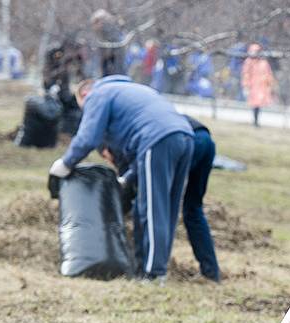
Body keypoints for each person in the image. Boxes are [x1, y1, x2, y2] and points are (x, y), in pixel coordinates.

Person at [49, 77, 194, 280]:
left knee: (151, 209)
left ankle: (153, 274)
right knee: (166, 209)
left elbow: (88, 136)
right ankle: (153, 268)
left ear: (84, 95)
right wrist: (127, 178)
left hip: (156, 138)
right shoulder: (131, 90)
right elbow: (139, 158)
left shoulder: (98, 94)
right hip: (185, 137)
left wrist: (66, 163)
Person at [106, 115, 221, 282]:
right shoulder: (143, 120)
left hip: (181, 141)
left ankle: (143, 269)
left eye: (105, 155)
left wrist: (115, 212)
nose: (108, 160)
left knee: (147, 204)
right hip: (204, 140)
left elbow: (134, 184)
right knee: (193, 209)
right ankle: (211, 272)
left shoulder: (123, 143)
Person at [241, 43, 275, 127]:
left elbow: (268, 74)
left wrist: (269, 84)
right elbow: (246, 74)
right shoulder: (248, 62)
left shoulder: (263, 62)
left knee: (259, 104)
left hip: (262, 87)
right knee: (255, 104)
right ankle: (255, 121)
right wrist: (246, 86)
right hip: (253, 86)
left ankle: (256, 121)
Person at [90, 9, 127, 77]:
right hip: (105, 53)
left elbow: (116, 39)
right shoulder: (100, 31)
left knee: (117, 70)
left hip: (114, 52)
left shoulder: (109, 28)